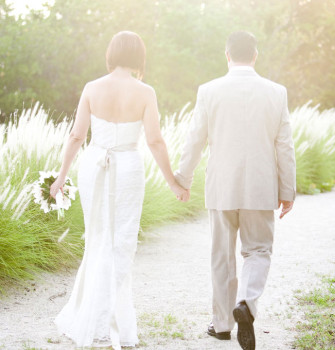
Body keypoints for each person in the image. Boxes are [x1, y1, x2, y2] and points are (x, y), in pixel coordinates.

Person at [49, 31, 188, 350]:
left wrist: (61, 177)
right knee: (122, 242)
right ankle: (110, 322)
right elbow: (154, 141)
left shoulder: (92, 88)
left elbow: (75, 136)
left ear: (111, 54)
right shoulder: (145, 92)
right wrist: (172, 182)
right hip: (127, 167)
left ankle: (95, 319)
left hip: (93, 166)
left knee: (97, 238)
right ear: (139, 57)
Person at [175, 30, 296, 350]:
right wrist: (288, 190)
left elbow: (194, 140)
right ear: (255, 55)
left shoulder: (209, 91)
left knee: (221, 256)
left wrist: (182, 179)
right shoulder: (276, 92)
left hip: (222, 185)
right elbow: (284, 146)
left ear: (226, 55)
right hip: (260, 185)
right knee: (258, 250)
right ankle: (246, 303)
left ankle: (222, 325)